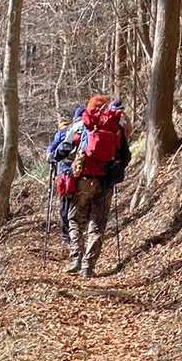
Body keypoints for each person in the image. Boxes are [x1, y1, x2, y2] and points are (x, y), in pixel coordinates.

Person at [61, 94, 131, 278]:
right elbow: (126, 157)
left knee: (75, 219)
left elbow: (64, 148)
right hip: (105, 182)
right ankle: (88, 267)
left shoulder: (82, 124)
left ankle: (76, 257)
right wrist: (115, 169)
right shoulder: (116, 127)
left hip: (83, 180)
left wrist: (54, 157)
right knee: (97, 224)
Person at [47, 105, 84, 245]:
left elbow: (54, 148)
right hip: (81, 172)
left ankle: (66, 235)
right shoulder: (87, 129)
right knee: (76, 203)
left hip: (65, 171)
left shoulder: (63, 133)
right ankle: (75, 233)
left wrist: (51, 157)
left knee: (65, 203)